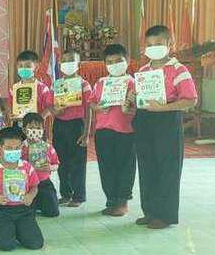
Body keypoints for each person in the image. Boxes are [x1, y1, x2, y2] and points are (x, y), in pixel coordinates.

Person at [130, 25, 198, 229]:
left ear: (170, 44)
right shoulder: (143, 71)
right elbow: (137, 98)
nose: (153, 48)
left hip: (167, 120)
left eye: (158, 43)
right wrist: (132, 98)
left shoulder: (179, 70)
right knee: (146, 166)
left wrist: (164, 107)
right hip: (144, 120)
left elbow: (191, 100)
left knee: (168, 167)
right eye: (149, 44)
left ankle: (165, 215)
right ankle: (150, 211)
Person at [91, 43, 137, 217]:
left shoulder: (133, 83)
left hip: (126, 131)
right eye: (109, 62)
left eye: (118, 61)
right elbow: (92, 102)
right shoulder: (101, 83)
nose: (114, 65)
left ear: (127, 61)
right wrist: (98, 107)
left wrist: (129, 105)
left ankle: (123, 202)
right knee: (106, 166)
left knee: (125, 167)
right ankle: (111, 200)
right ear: (105, 64)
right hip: (103, 131)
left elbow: (139, 106)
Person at [0, 127, 43, 251]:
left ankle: (19, 230)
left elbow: (34, 186)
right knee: (6, 245)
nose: (13, 151)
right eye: (9, 148)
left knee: (36, 243)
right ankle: (1, 233)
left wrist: (30, 196)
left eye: (17, 148)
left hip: (24, 210)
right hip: (1, 210)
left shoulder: (27, 166)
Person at [51, 50, 92, 206]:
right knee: (61, 162)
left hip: (77, 125)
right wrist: (57, 111)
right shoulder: (57, 84)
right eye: (64, 61)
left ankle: (79, 196)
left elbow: (88, 110)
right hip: (59, 125)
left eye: (71, 61)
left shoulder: (84, 85)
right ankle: (66, 194)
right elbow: (52, 107)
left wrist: (86, 133)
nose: (67, 64)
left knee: (77, 163)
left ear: (78, 64)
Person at [21, 113, 60, 218]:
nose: (35, 131)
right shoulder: (20, 147)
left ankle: (41, 204)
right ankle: (34, 205)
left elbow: (56, 164)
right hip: (27, 185)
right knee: (27, 214)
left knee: (53, 212)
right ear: (24, 130)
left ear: (43, 130)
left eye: (38, 128)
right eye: (31, 128)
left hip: (44, 183)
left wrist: (50, 167)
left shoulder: (47, 147)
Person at [7, 50, 53, 124]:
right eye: (20, 66)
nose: (23, 68)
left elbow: (50, 107)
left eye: (27, 66)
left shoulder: (43, 89)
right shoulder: (14, 88)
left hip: (36, 126)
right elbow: (10, 106)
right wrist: (11, 114)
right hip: (18, 125)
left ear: (36, 67)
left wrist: (40, 118)